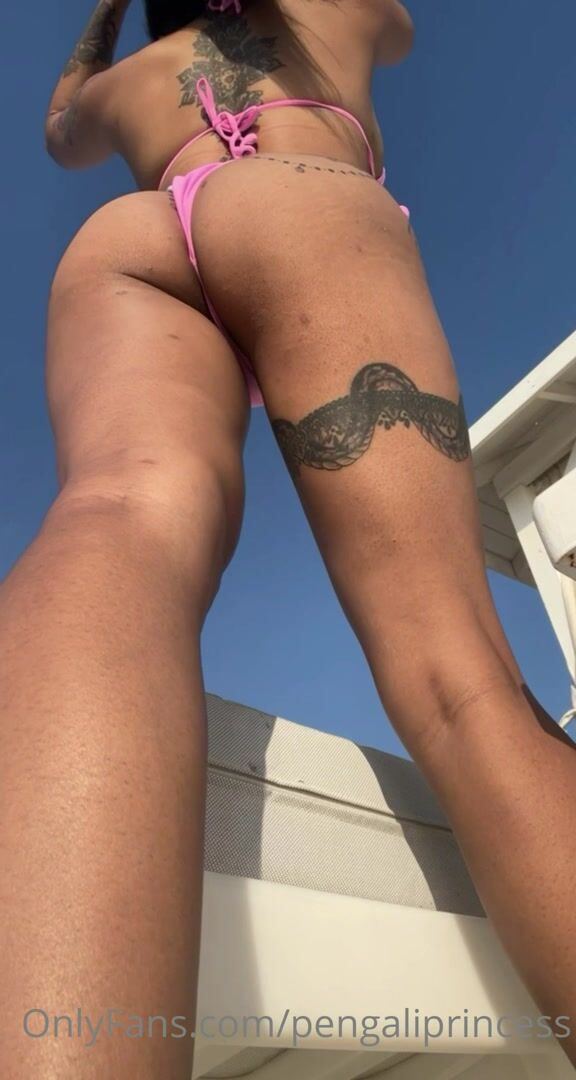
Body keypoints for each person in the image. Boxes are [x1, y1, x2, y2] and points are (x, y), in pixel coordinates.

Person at [0, 0, 574, 1075]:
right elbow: (400, 29)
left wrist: (107, 17)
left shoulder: (122, 84)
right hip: (301, 202)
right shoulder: (337, 12)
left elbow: (60, 128)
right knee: (458, 678)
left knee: (114, 516)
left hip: (131, 237)